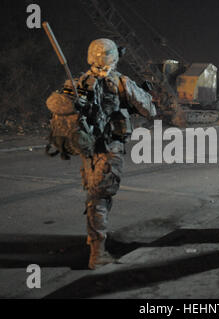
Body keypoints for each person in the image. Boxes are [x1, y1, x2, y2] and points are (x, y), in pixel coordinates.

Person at [46, 39, 157, 269]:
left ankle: (96, 244)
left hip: (87, 148)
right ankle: (98, 253)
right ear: (114, 58)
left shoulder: (79, 83)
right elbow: (150, 109)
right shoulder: (120, 82)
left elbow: (53, 102)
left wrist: (77, 101)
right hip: (109, 148)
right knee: (100, 197)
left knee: (96, 194)